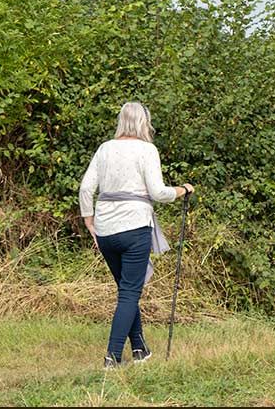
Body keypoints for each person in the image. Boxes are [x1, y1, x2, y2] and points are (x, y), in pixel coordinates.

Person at [79, 101, 195, 368]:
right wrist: (182, 190)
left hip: (105, 229)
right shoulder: (147, 150)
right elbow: (158, 193)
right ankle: (112, 357)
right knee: (130, 293)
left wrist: (89, 221)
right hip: (134, 227)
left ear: (121, 121)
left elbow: (86, 188)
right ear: (144, 122)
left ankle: (140, 349)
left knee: (125, 290)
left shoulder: (105, 149)